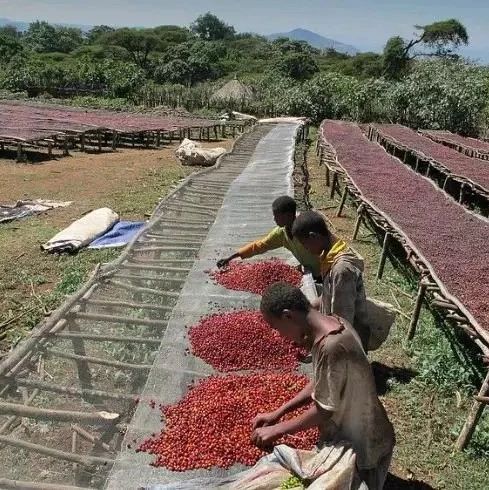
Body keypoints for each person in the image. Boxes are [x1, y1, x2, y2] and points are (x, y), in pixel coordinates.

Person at [251, 282, 395, 490]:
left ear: (288, 316)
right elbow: (320, 381)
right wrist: (278, 412)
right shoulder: (335, 322)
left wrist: (277, 429)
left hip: (363, 443)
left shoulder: (331, 347)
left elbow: (324, 411)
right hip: (357, 430)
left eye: (277, 328)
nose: (279, 335)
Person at [291, 210, 370, 349]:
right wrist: (305, 310)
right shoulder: (329, 254)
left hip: (348, 341)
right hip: (337, 331)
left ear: (313, 236)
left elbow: (343, 320)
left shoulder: (341, 270)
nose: (306, 250)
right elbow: (329, 294)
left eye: (305, 245)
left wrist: (316, 336)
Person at [216, 196, 320, 278]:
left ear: (288, 216)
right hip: (312, 272)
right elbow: (258, 246)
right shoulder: (281, 234)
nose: (274, 219)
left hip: (326, 271)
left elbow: (327, 245)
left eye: (276, 216)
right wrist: (230, 258)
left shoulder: (307, 228)